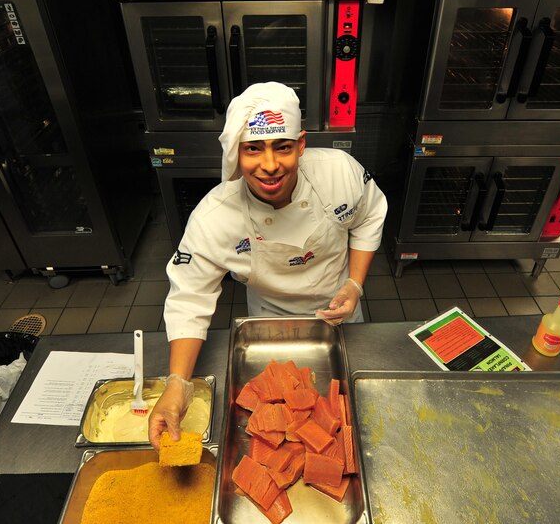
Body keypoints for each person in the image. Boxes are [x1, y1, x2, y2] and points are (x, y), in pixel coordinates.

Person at [148, 82, 387, 449]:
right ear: (236, 152)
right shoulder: (215, 217)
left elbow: (369, 216)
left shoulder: (339, 172)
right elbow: (190, 297)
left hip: (344, 315)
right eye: (253, 149)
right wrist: (178, 383)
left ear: (301, 144)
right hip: (270, 326)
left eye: (283, 147)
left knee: (353, 419)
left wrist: (354, 283)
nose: (271, 165)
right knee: (281, 425)